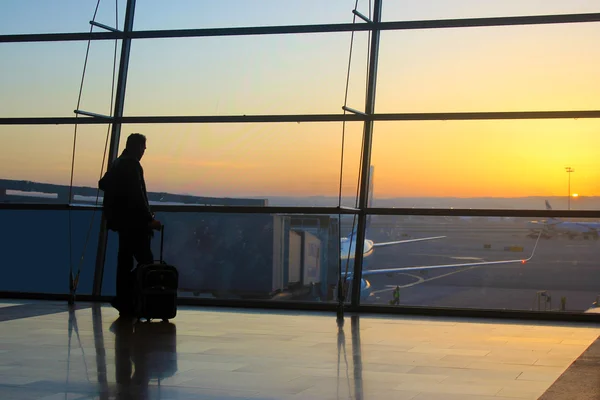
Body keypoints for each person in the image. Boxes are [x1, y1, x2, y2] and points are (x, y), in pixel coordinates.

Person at [99, 133, 161, 316]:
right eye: (143, 148)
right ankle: (131, 297)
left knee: (124, 261)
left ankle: (124, 300)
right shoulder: (132, 165)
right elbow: (138, 195)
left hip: (122, 223)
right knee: (146, 262)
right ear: (137, 147)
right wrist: (149, 219)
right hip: (135, 224)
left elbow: (103, 184)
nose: (144, 152)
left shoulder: (118, 163)